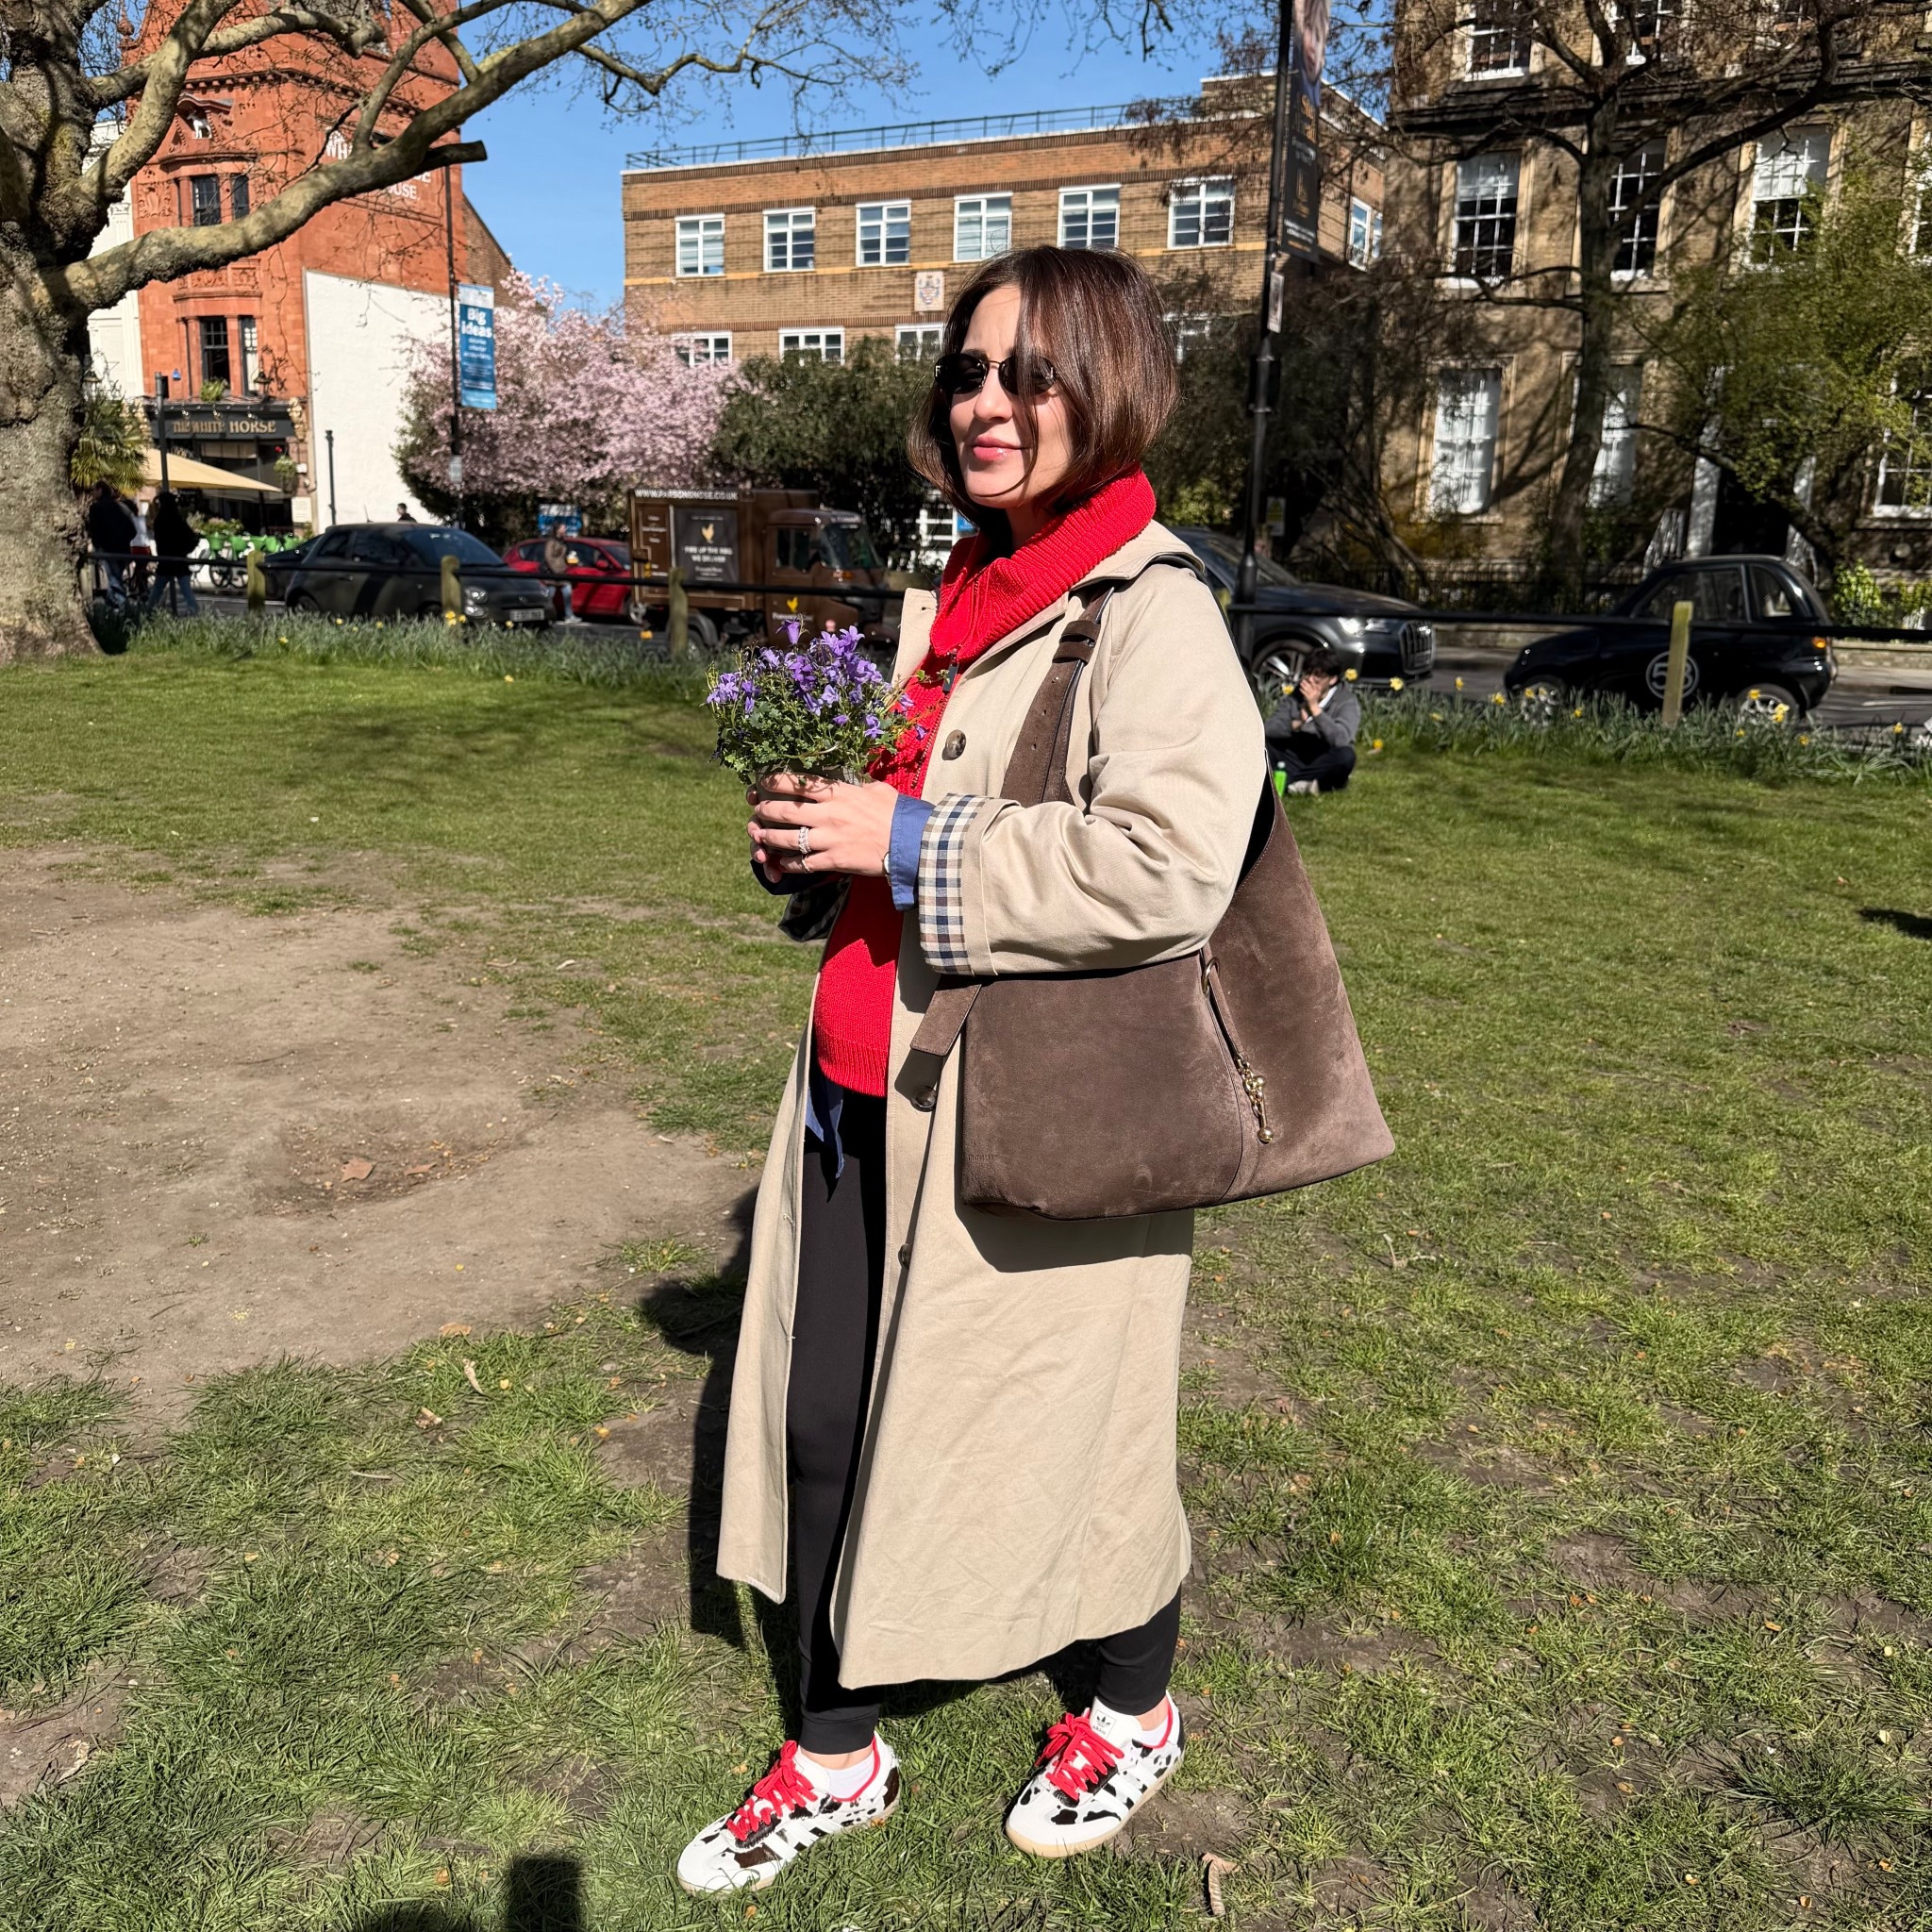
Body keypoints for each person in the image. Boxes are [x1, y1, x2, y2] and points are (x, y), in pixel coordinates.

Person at [674, 245, 1264, 1896]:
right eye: (969, 370)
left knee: (1077, 1433)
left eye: (1029, 372)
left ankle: (1130, 1709)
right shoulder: (964, 588)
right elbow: (910, 822)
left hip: (1037, 1111)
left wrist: (909, 837)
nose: (985, 402)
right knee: (820, 1415)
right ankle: (834, 1750)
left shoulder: (1150, 608)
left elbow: (1168, 865)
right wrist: (820, 851)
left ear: (1109, 386)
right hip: (859, 1087)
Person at [1263, 646, 1359, 794]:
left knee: (1346, 756)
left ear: (1332, 679)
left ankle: (1291, 782)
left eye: (1317, 675)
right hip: (1294, 751)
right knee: (1263, 743)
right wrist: (1297, 724)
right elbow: (1269, 728)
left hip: (1321, 755)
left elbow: (1341, 739)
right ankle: (1298, 784)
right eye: (1308, 673)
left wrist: (1315, 710)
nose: (1309, 679)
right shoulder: (1297, 695)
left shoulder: (1346, 701)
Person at [146, 491, 200, 615]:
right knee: (185, 589)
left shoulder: (159, 520)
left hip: (165, 559)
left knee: (157, 589)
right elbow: (190, 535)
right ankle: (193, 611)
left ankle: (148, 612)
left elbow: (159, 540)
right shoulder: (177, 519)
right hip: (179, 558)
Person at [84, 483, 136, 602]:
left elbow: (94, 530)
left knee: (114, 579)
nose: (93, 493)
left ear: (100, 490)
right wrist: (124, 540)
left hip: (107, 550)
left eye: (94, 490)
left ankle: (120, 604)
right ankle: (116, 605)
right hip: (123, 549)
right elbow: (132, 530)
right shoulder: (121, 507)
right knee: (116, 578)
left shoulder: (96, 508)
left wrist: (98, 546)